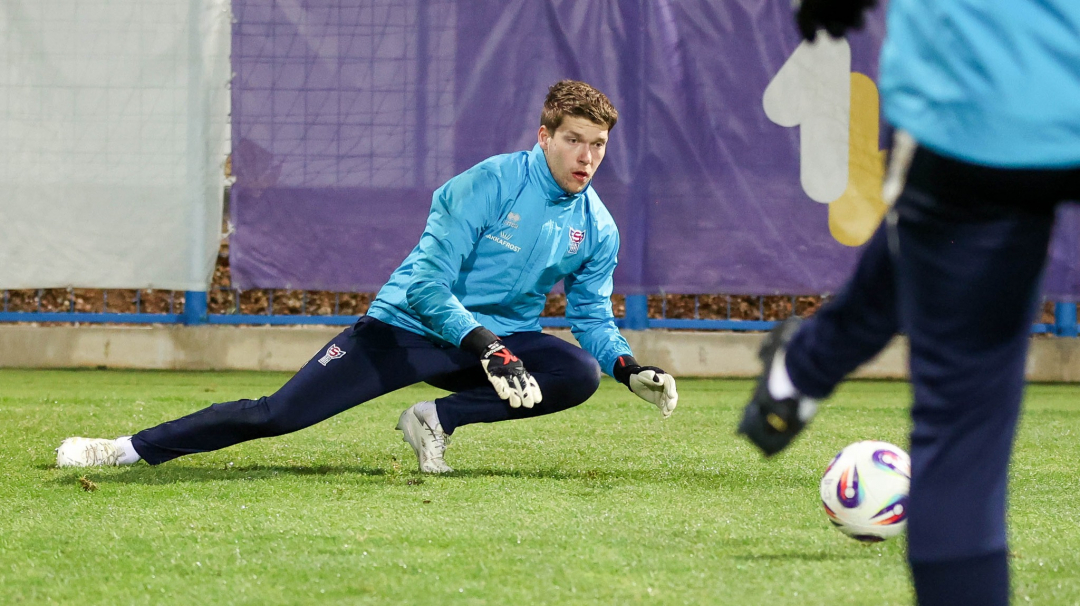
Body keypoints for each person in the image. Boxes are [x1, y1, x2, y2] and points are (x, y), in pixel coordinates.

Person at [56, 80, 678, 474]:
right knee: (277, 414)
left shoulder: (597, 226)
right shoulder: (487, 184)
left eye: (598, 145)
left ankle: (437, 419)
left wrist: (627, 367)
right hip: (405, 330)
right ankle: (123, 448)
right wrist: (489, 346)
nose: (587, 157)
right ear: (544, 137)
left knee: (578, 372)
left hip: (494, 347)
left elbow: (590, 316)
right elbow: (427, 287)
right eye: (574, 140)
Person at [738, 1, 1080, 605]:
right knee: (930, 246)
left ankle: (805, 365)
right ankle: (806, 364)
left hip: (976, 98)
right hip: (988, 96)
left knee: (962, 418)